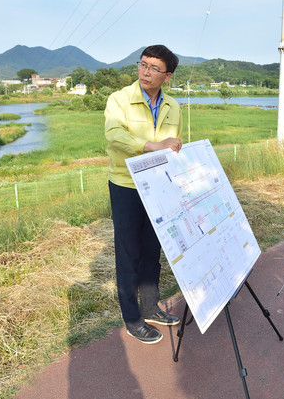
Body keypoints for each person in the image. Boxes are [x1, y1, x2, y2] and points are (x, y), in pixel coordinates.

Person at [104, 45, 183, 344]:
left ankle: (151, 307)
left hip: (158, 184)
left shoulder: (173, 106)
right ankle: (132, 318)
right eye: (143, 64)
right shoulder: (119, 99)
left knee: (153, 248)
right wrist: (152, 145)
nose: (146, 71)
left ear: (167, 76)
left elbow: (173, 142)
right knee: (128, 253)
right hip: (126, 185)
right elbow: (114, 135)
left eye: (154, 68)